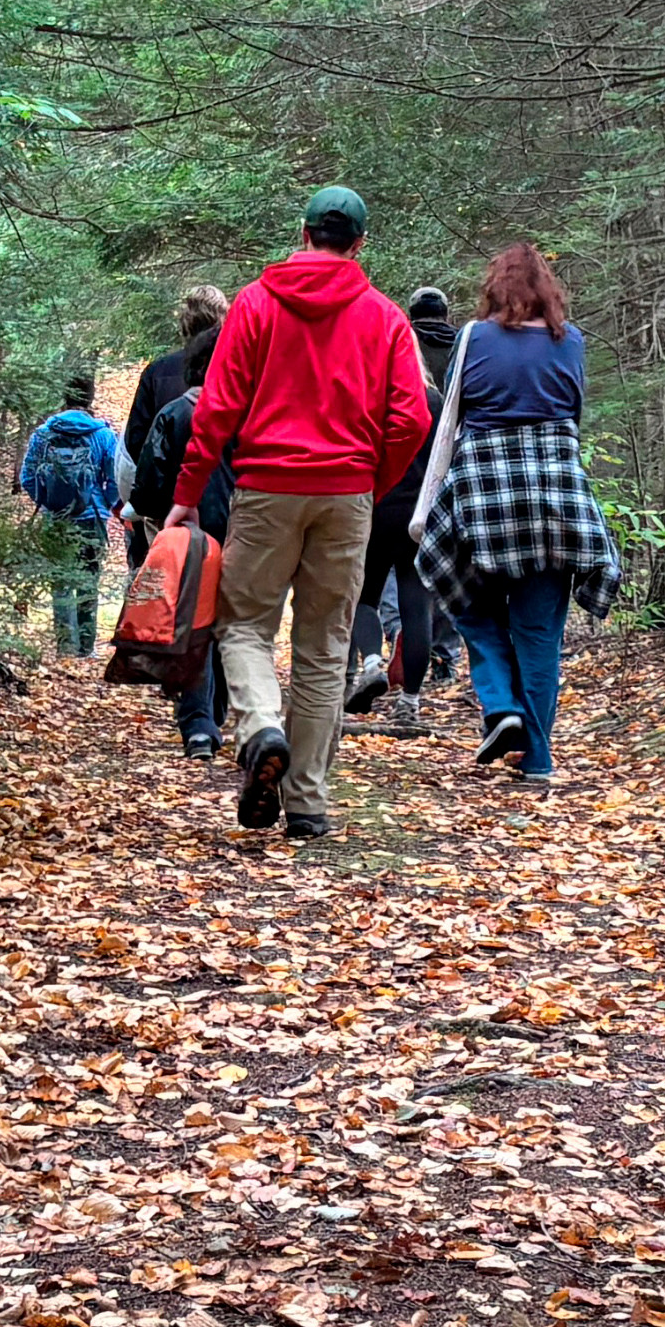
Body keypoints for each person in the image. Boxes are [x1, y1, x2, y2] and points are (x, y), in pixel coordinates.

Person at [171, 186, 432, 839]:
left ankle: (260, 727)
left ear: (305, 232)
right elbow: (412, 418)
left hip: (265, 490)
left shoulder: (257, 306)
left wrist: (186, 494)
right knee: (325, 649)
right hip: (346, 495)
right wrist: (371, 484)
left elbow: (217, 407)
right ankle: (307, 802)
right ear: (359, 244)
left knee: (242, 624)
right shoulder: (384, 318)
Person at [412, 241, 620, 786]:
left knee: (471, 608)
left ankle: (501, 706)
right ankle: (538, 761)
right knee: (539, 636)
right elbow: (574, 415)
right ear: (550, 292)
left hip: (484, 500)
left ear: (494, 290)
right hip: (556, 499)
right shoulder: (569, 341)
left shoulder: (472, 338)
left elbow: (453, 414)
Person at [347, 284, 461, 733]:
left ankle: (372, 662)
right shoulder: (435, 404)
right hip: (421, 519)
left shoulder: (372, 399)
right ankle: (410, 702)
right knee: (418, 607)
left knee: (362, 596)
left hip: (375, 511)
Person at [127, 363, 235, 757]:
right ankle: (217, 710)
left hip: (190, 531)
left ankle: (199, 724)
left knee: (194, 622)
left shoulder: (174, 412)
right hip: (244, 528)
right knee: (230, 622)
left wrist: (157, 514)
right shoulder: (249, 412)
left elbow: (147, 484)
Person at [119, 285, 228, 573]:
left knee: (172, 590)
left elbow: (136, 442)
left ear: (184, 322)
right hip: (229, 506)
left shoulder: (159, 372)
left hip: (169, 508)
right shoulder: (238, 370)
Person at [14, 378, 123, 659]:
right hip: (92, 518)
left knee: (61, 583)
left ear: (65, 396)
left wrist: (49, 501)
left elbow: (27, 476)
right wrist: (104, 504)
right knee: (88, 581)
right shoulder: (103, 435)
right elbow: (114, 480)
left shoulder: (44, 433)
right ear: (91, 398)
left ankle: (65, 647)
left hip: (56, 520)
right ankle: (86, 649)